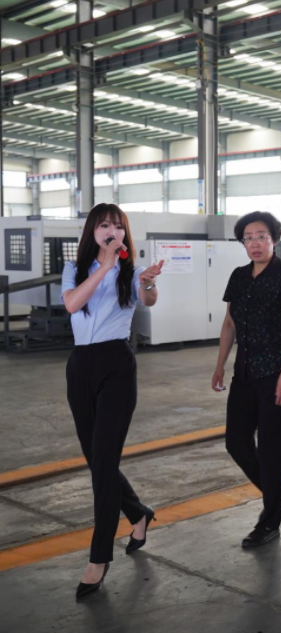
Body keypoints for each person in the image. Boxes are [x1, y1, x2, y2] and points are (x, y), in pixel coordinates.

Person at [61, 203, 164, 599]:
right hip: (80, 367)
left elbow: (148, 298)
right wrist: (103, 264)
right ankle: (138, 513)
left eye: (118, 227)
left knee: (103, 465)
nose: (113, 232)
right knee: (97, 460)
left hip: (116, 366)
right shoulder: (76, 268)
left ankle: (98, 558)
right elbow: (72, 304)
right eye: (105, 226)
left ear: (125, 234)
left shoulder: (132, 271)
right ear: (93, 231)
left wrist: (150, 282)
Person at [212, 212, 281, 549]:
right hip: (247, 370)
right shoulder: (238, 276)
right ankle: (276, 491)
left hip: (278, 370)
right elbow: (229, 324)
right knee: (236, 442)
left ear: (275, 240)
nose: (254, 243)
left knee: (272, 447)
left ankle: (270, 521)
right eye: (248, 237)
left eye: (261, 236)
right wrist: (220, 365)